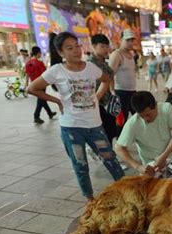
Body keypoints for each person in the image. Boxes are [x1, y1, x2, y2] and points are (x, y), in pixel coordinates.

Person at [27, 32, 125, 201]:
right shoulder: (56, 71)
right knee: (80, 166)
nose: (76, 51)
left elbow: (106, 79)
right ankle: (90, 200)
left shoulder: (91, 68)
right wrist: (56, 101)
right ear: (61, 52)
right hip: (71, 128)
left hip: (95, 126)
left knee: (111, 160)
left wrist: (98, 96)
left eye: (77, 46)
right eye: (69, 48)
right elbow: (32, 88)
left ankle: (128, 190)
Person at [115, 91, 172, 178]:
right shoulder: (133, 123)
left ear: (155, 105)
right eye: (141, 116)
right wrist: (138, 167)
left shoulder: (166, 108)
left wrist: (164, 156)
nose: (145, 119)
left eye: (148, 114)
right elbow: (119, 148)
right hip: (152, 166)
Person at [89, 34, 117, 145]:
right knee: (103, 131)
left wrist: (113, 91)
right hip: (98, 104)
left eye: (107, 46)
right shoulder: (90, 64)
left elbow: (111, 77)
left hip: (107, 101)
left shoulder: (104, 63)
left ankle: (108, 153)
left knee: (110, 131)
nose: (106, 49)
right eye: (102, 46)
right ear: (94, 46)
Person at [109, 29, 137, 122]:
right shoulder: (116, 55)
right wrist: (112, 92)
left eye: (132, 40)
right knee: (121, 120)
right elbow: (110, 74)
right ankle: (120, 136)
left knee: (138, 117)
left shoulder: (131, 54)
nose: (130, 43)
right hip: (120, 92)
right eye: (127, 40)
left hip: (132, 91)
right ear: (121, 40)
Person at [25, 46, 57, 124]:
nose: (40, 55)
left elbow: (27, 74)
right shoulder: (39, 63)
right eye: (40, 53)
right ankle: (36, 116)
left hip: (33, 84)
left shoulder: (28, 63)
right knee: (41, 99)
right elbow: (45, 74)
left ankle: (50, 113)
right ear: (38, 53)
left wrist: (26, 84)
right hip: (41, 84)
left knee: (42, 99)